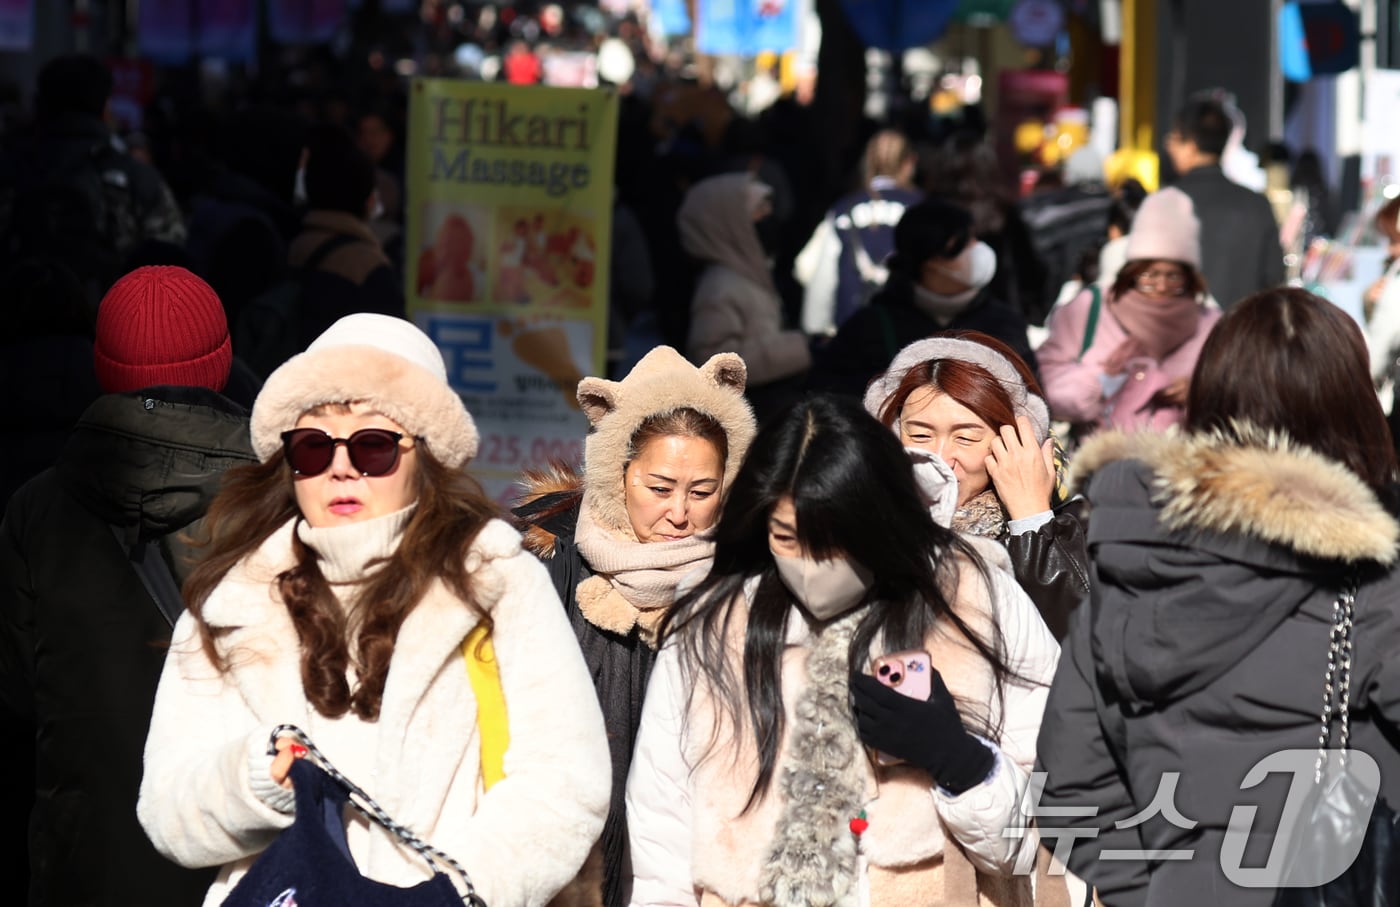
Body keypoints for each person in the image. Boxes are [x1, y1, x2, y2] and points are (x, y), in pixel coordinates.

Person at [136, 313, 610, 906]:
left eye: (373, 445)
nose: (341, 466)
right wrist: (257, 779)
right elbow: (166, 810)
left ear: (424, 455)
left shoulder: (497, 581)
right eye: (313, 446)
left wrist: (454, 893)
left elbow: (565, 784)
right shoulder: (232, 600)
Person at [1035, 287, 1400, 906]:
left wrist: (1157, 891)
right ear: (1354, 408)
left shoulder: (1129, 561)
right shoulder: (1378, 577)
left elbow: (1072, 787)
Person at [626, 394, 1062, 906]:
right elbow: (661, 833)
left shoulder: (973, 595)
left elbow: (1057, 824)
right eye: (785, 536)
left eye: (835, 541)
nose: (810, 564)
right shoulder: (715, 618)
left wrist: (962, 762)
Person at [1, 266, 253, 905]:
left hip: (87, 865)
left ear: (105, 369)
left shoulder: (38, 511)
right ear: (221, 365)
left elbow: (19, 697)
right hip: (242, 865)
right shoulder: (281, 505)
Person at [513, 345, 756, 907]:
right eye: (659, 487)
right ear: (618, 475)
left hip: (693, 866)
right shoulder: (544, 559)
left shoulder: (751, 575)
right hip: (567, 858)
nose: (679, 513)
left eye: (702, 491)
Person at [864, 332, 1088, 639]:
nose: (941, 458)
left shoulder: (1074, 524)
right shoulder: (861, 516)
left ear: (1015, 441)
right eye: (919, 436)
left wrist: (1033, 521)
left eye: (966, 438)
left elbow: (1079, 640)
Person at [0, 54, 185, 304]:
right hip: (112, 329)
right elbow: (172, 263)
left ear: (41, 103)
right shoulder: (136, 179)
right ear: (104, 106)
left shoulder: (12, 170)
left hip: (16, 327)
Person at [1037, 187, 1221, 437]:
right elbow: (1043, 386)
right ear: (1132, 272)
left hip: (1182, 466)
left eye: (1174, 276)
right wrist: (1102, 381)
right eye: (1150, 275)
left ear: (1190, 279)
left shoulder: (1210, 324)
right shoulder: (1091, 309)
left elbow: (1240, 396)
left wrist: (1200, 392)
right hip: (1099, 465)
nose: (1161, 286)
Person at [812, 198, 1036, 397]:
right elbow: (832, 397)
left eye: (975, 239)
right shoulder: (870, 328)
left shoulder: (1004, 323)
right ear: (932, 262)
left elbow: (1031, 397)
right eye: (965, 243)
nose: (978, 250)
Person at [679, 172, 811, 421]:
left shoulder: (749, 276)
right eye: (759, 210)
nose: (769, 216)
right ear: (732, 223)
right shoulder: (719, 285)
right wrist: (799, 348)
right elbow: (713, 363)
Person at [795, 129, 923, 336]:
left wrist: (816, 331)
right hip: (911, 332)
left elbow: (815, 272)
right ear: (910, 162)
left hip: (852, 330)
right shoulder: (924, 209)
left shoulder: (843, 209)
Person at [1166, 96, 1285, 308]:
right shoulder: (1257, 205)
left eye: (1174, 139)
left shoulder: (1165, 203)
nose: (1168, 147)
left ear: (1191, 145)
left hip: (1180, 335)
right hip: (1243, 334)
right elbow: (1274, 280)